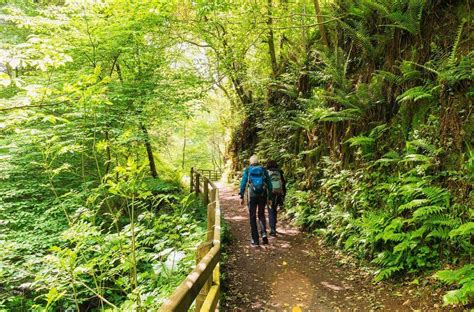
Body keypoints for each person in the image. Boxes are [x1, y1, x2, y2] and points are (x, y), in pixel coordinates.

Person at [239, 155, 273, 246]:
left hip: (252, 196)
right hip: (262, 195)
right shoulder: (263, 169)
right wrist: (270, 198)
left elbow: (243, 183)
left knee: (252, 216)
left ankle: (255, 240)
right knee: (261, 214)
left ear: (250, 162)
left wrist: (241, 196)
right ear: (258, 161)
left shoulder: (248, 170)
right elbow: (269, 183)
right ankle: (264, 234)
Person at [266, 160, 286, 236]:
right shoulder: (280, 172)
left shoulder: (267, 172)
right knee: (275, 209)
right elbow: (283, 183)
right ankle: (274, 223)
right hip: (278, 192)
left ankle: (273, 229)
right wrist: (283, 195)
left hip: (270, 194)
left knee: (271, 210)